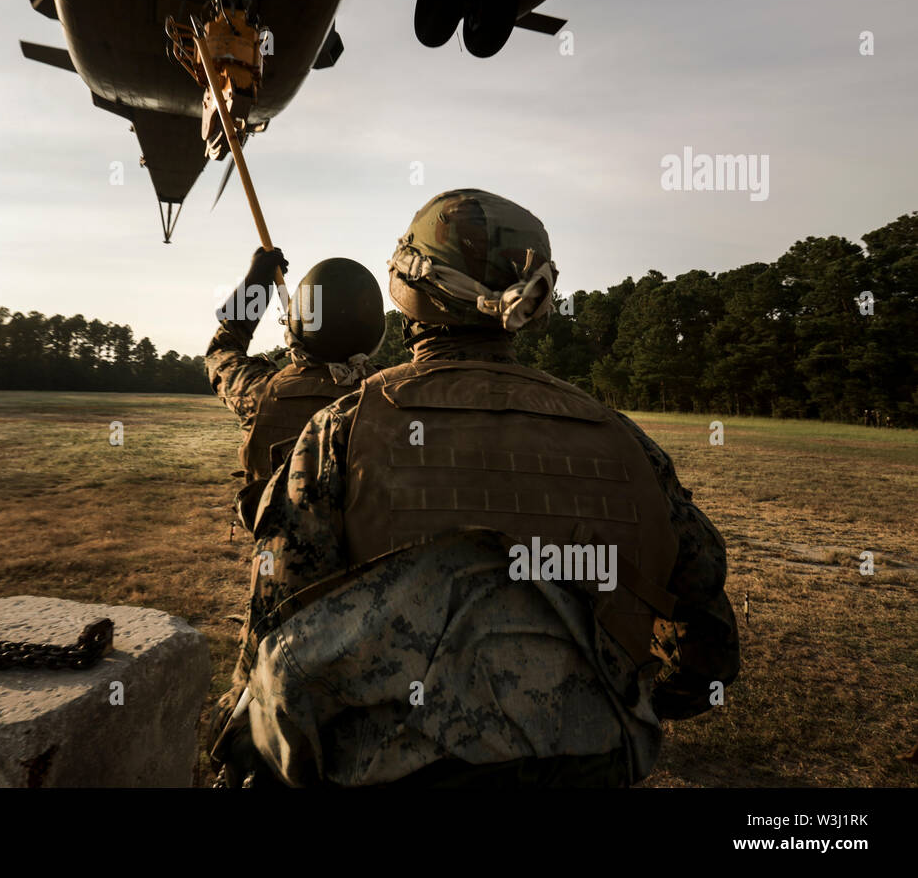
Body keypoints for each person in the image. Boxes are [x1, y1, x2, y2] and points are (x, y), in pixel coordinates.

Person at [209, 189, 740, 789]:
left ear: (409, 295)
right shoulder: (625, 440)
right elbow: (708, 632)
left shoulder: (341, 430)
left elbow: (275, 644)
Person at [206, 246, 387, 532]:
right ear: (376, 332)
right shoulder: (394, 396)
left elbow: (222, 350)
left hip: (280, 570)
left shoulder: (259, 394)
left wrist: (258, 282)